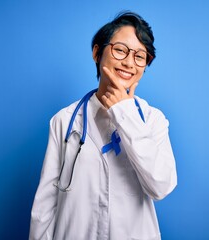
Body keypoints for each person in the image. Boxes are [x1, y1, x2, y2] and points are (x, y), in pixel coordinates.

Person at [29, 11, 177, 240]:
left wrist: (125, 113)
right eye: (120, 50)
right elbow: (45, 207)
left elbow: (160, 186)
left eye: (140, 56)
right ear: (97, 53)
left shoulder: (153, 120)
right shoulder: (64, 121)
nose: (129, 62)